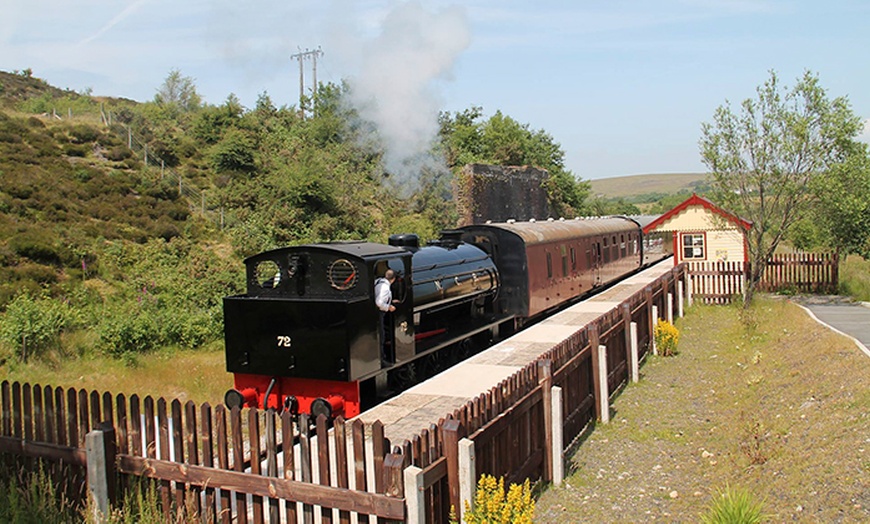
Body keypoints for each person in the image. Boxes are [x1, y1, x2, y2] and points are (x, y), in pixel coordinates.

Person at [374, 269, 396, 366]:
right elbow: (378, 302)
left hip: (375, 313)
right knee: (381, 336)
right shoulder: (385, 288)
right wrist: (388, 307)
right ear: (393, 279)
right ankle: (382, 360)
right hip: (379, 313)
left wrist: (390, 301)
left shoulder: (378, 281)